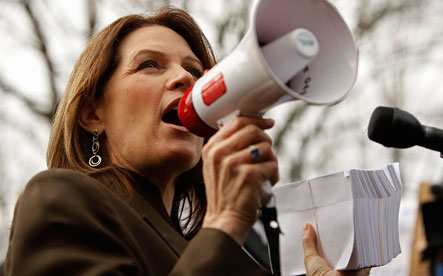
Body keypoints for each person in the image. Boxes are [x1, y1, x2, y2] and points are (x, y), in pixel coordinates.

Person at [3, 6, 370, 276]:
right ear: (92, 114)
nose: (184, 78)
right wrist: (224, 223)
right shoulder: (57, 198)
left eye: (195, 71)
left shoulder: (232, 253)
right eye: (150, 65)